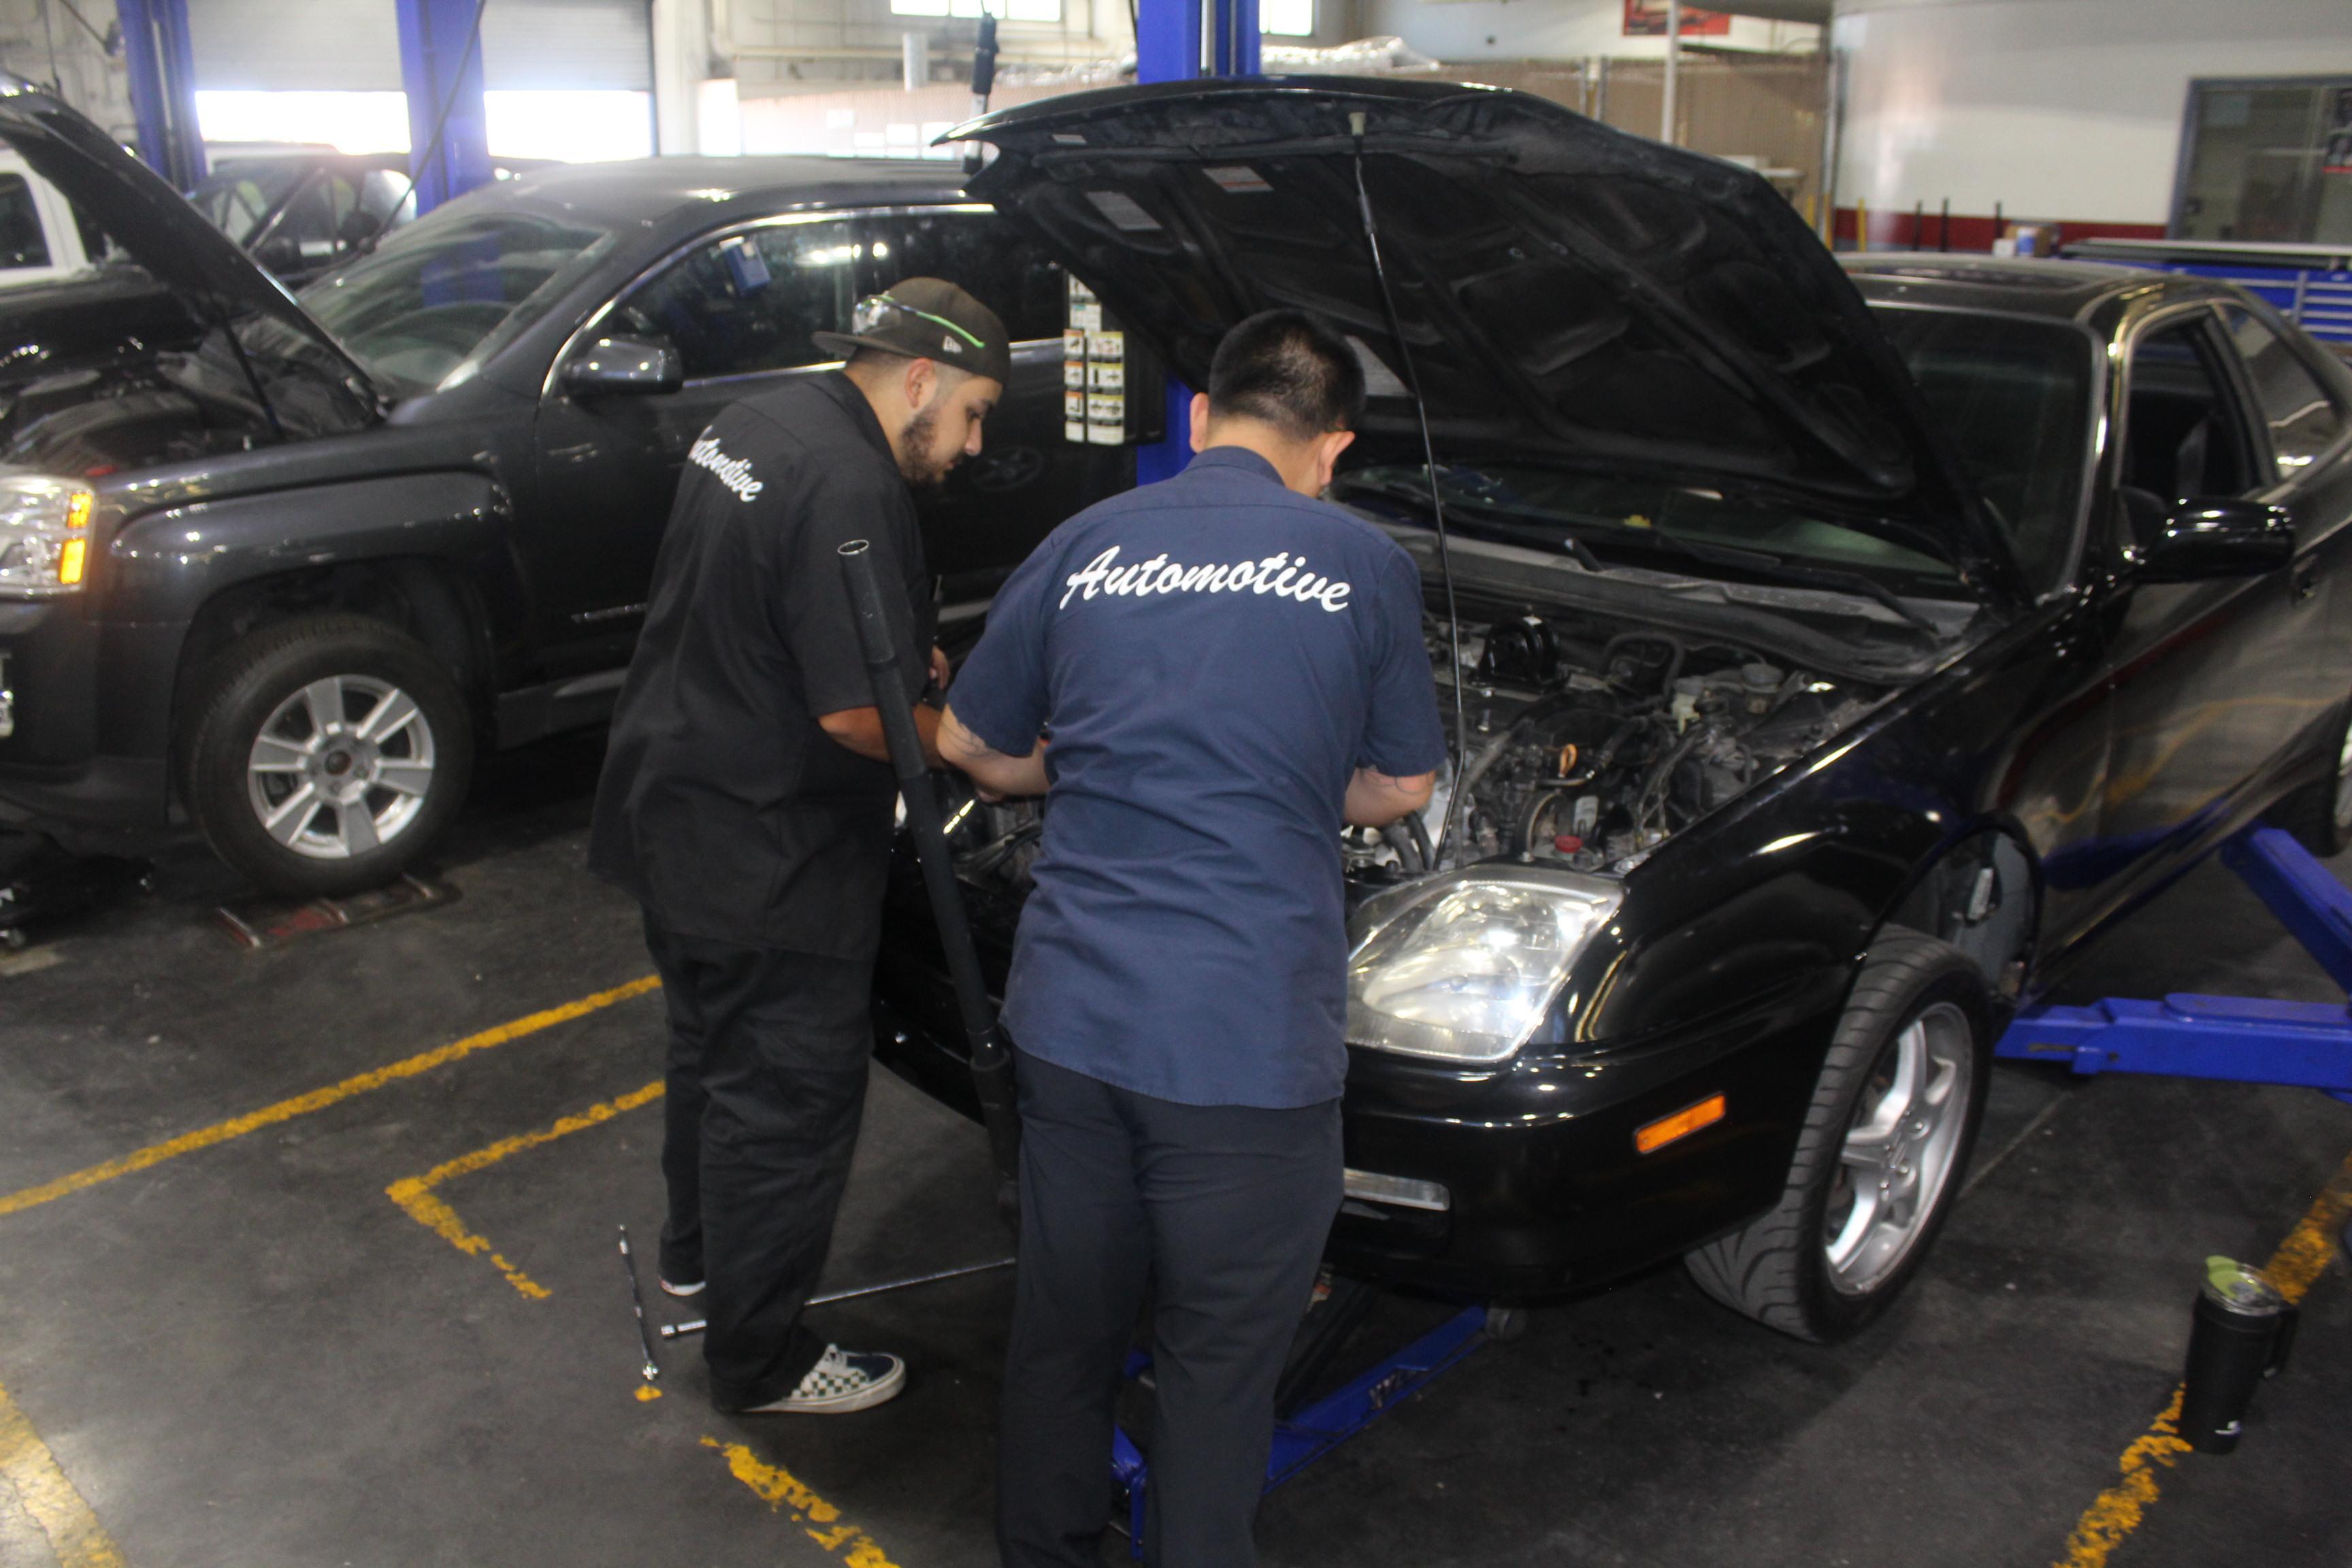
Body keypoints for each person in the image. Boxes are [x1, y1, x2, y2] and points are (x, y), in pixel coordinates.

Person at [941, 310, 1447, 1565]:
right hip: (1242, 1048)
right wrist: (1283, 769)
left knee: (1061, 1337)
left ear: (1204, 420)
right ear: (1329, 448)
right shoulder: (1360, 561)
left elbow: (969, 747)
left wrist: (1093, 755)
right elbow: (1402, 788)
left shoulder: (1086, 540)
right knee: (1216, 1370)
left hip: (1070, 1025)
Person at [588, 278, 1009, 1416]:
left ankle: (698, 1256)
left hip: (669, 803)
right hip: (767, 853)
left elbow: (774, 596)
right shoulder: (850, 481)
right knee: (787, 1105)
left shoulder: (762, 421)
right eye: (972, 411)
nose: (972, 445)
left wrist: (900, 644)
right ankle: (758, 1362)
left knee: (710, 1053)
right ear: (920, 377)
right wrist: (976, 753)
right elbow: (853, 717)